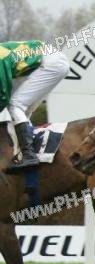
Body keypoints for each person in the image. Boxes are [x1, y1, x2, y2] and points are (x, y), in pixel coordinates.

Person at [0, 40, 70, 171]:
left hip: (51, 63)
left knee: (15, 105)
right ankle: (26, 152)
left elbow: (4, 95)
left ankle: (29, 155)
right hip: (55, 62)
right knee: (23, 111)